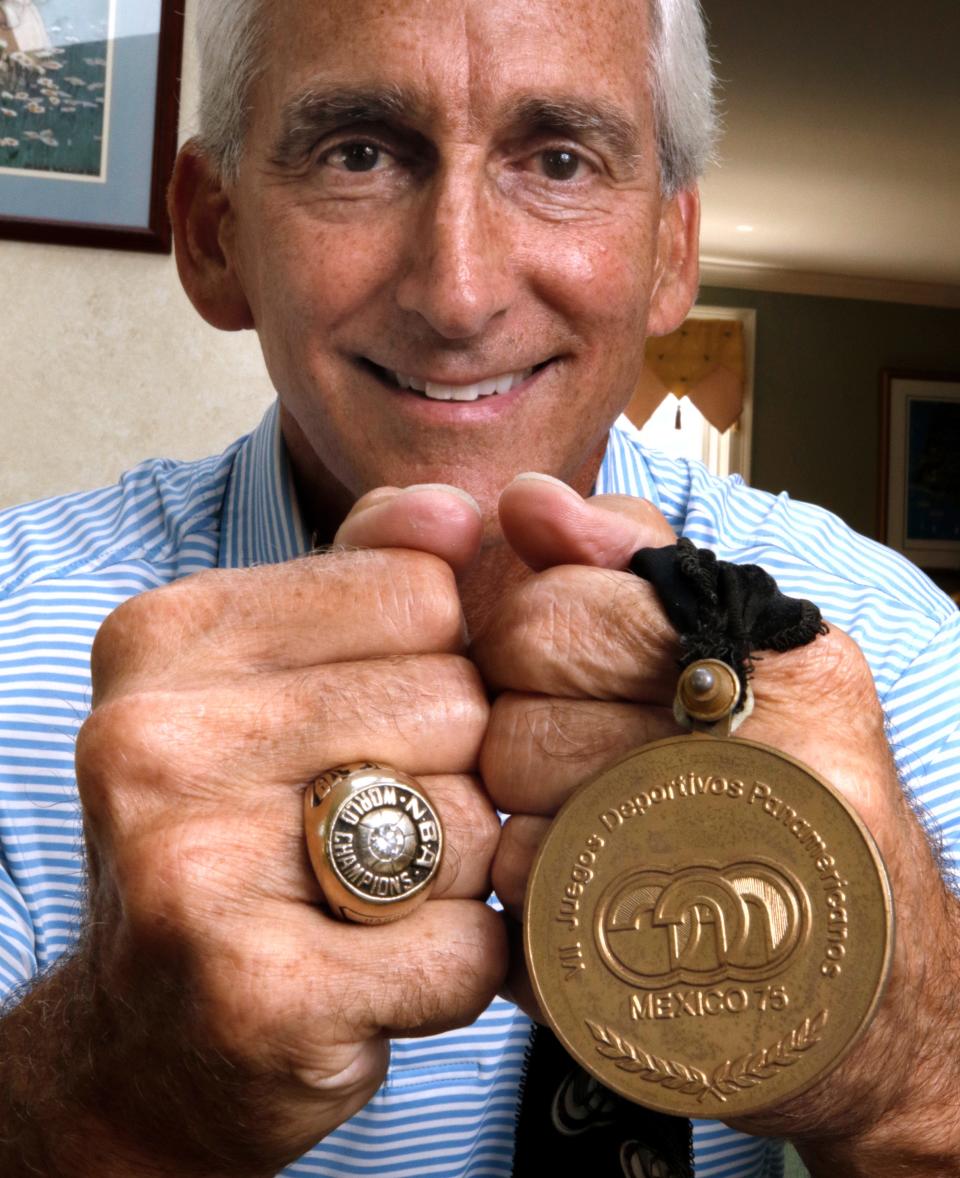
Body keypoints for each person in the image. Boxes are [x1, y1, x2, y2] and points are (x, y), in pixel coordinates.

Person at [1, 0, 958, 1174]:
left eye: (559, 160)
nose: (458, 295)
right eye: (359, 152)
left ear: (672, 252)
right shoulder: (10, 634)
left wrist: (918, 1059)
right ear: (214, 235)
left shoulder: (892, 648)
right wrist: (93, 1101)